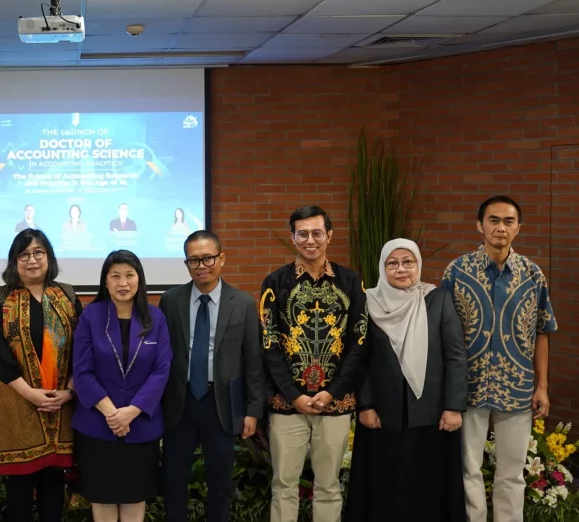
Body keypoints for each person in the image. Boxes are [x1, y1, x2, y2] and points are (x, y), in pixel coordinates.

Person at [442, 196, 556, 522]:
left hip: (517, 388)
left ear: (519, 228)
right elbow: (441, 332)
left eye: (508, 221)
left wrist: (542, 387)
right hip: (468, 387)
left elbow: (543, 332)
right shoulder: (457, 271)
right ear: (480, 225)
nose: (501, 228)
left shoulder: (532, 275)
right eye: (494, 220)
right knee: (468, 468)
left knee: (512, 472)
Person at [345, 238, 467, 522]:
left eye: (408, 262)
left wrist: (453, 407)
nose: (401, 269)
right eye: (393, 263)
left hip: (431, 414)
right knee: (383, 486)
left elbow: (455, 356)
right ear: (383, 267)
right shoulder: (368, 302)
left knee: (428, 486)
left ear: (418, 264)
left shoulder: (437, 299)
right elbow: (359, 359)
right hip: (381, 415)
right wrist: (365, 405)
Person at [260, 206, 366, 522]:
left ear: (329, 236)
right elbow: (269, 346)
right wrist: (293, 395)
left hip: (335, 402)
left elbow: (358, 343)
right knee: (284, 485)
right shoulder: (274, 282)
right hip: (286, 404)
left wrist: (333, 391)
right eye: (303, 234)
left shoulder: (351, 282)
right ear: (293, 237)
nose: (310, 240)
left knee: (329, 486)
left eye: (317, 233)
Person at [160, 230, 265, 522]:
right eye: (193, 260)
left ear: (222, 259)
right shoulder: (170, 300)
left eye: (208, 258)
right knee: (174, 483)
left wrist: (253, 410)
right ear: (186, 264)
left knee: (220, 485)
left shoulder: (242, 303)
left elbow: (253, 361)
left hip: (222, 404)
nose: (201, 266)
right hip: (179, 404)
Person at [0, 229, 82, 522]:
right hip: (18, 402)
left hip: (61, 403)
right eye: (24, 254)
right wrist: (30, 393)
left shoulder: (67, 294)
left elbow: (84, 346)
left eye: (39, 252)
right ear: (14, 261)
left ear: (48, 257)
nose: (32, 260)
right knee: (20, 487)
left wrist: (70, 392)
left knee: (54, 482)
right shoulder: (2, 297)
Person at [72, 250, 172, 522]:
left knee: (134, 500)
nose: (123, 283)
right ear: (105, 281)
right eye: (115, 276)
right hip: (98, 426)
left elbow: (162, 370)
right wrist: (112, 414)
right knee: (102, 500)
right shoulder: (91, 315)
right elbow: (82, 371)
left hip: (140, 426)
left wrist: (131, 412)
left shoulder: (156, 318)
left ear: (139, 279)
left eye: (129, 275)